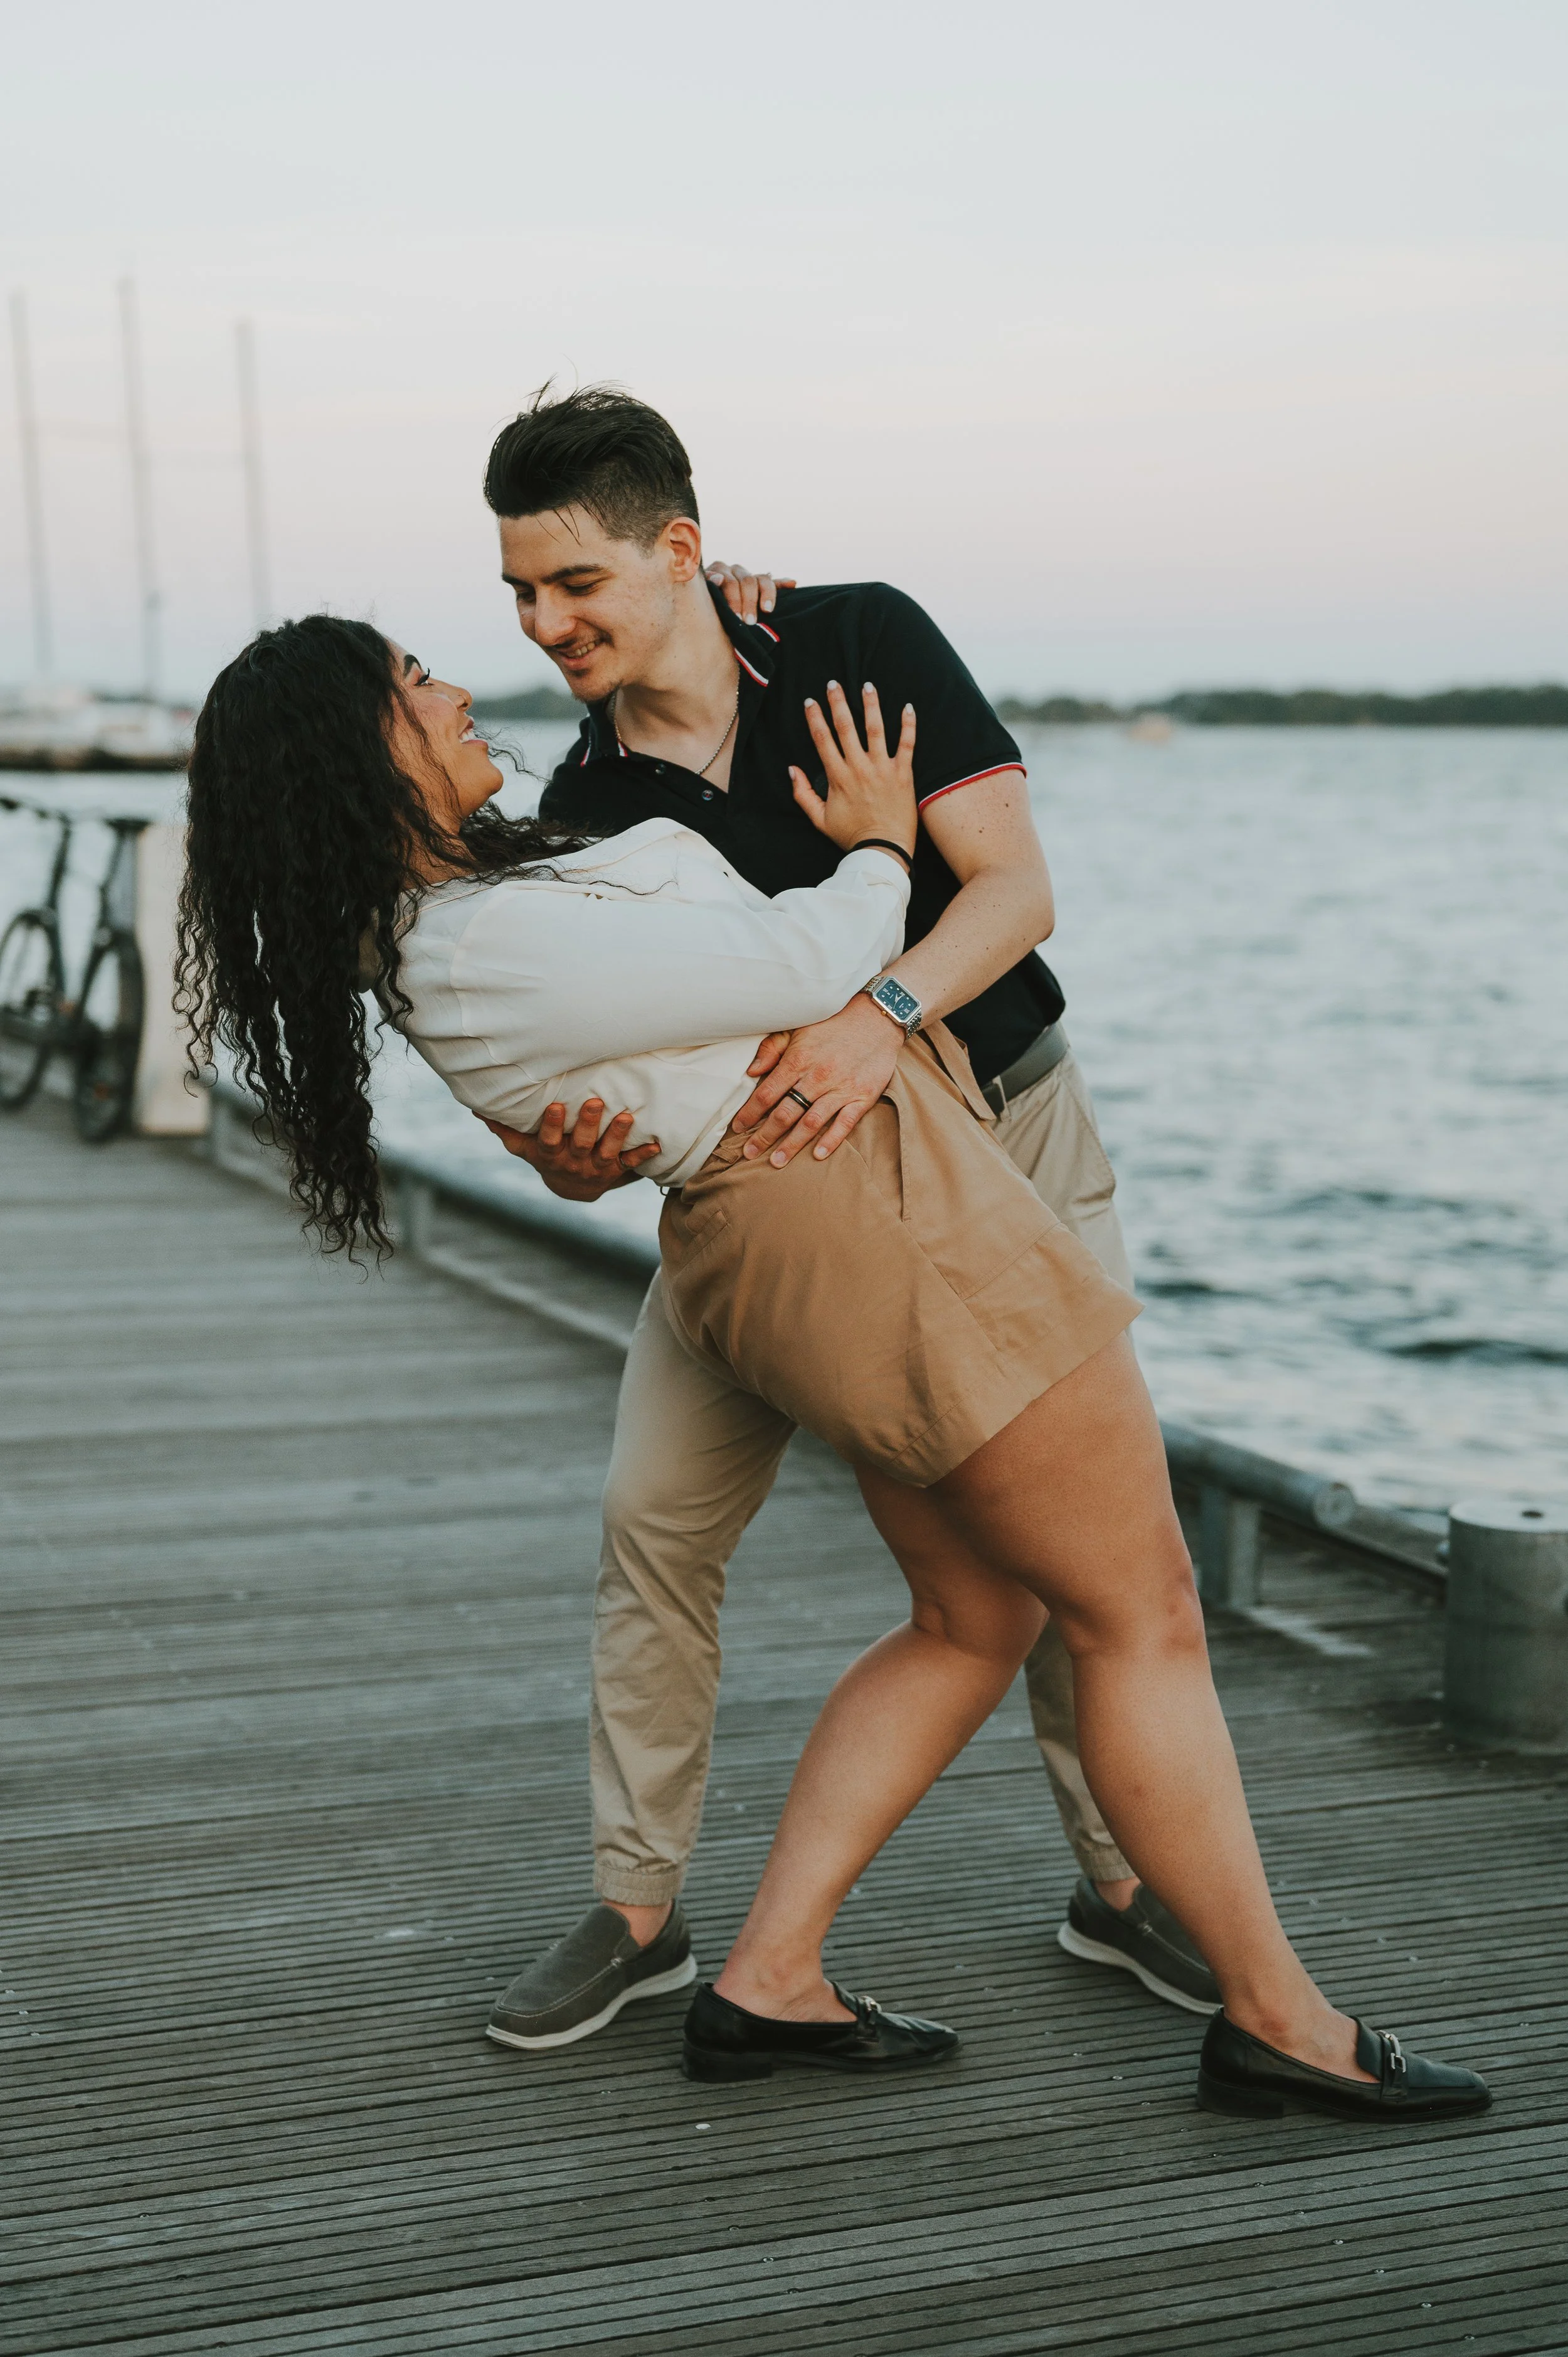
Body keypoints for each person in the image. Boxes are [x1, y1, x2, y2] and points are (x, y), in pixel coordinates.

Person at [176, 610, 1488, 2126]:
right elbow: (804, 955)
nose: (466, 681)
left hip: (837, 1205)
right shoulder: (476, 939)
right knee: (1144, 1614)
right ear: (361, 755)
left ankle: (768, 1979)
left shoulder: (488, 893)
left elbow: (682, 998)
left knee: (973, 1611)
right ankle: (1280, 2019)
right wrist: (876, 843)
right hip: (867, 1214)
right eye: (416, 682)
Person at [472, 385, 1216, 2047]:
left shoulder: (852, 636)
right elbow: (589, 1081)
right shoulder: (586, 810)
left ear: (677, 550)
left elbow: (1014, 888)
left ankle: (1122, 1884)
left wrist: (877, 1008)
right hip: (765, 1203)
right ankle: (634, 1908)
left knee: (1069, 1531)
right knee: (651, 1525)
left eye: (575, 582)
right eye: (518, 592)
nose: (545, 624)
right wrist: (567, 1163)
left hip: (1007, 1125)